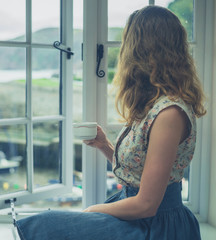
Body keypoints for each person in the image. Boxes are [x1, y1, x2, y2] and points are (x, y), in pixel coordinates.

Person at [16, 5, 206, 240]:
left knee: (46, 224)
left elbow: (147, 204)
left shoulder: (169, 114)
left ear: (142, 50)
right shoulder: (154, 104)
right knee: (45, 224)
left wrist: (92, 210)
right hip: (137, 214)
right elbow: (138, 174)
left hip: (155, 225)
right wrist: (104, 145)